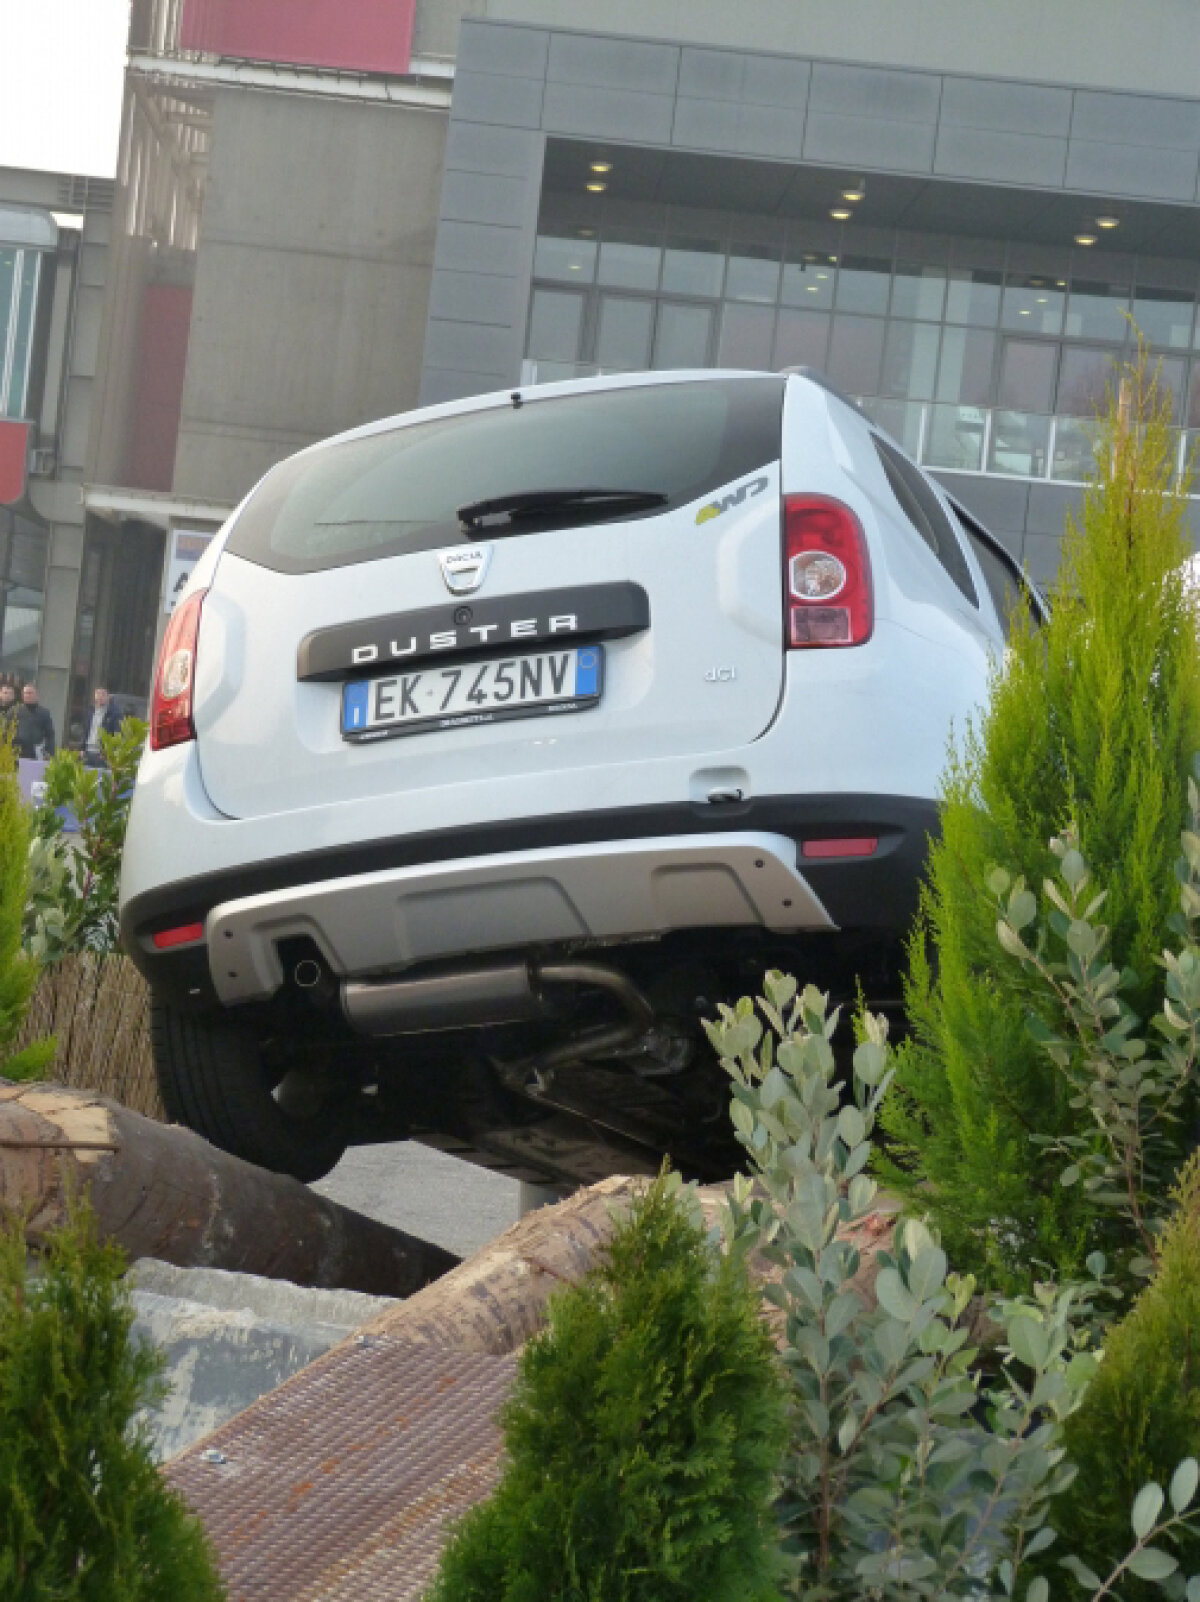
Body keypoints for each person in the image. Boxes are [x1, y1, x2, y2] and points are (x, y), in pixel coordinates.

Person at [15, 682, 55, 760]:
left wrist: (50, 751)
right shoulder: (15, 711)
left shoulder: (44, 713)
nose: (28, 695)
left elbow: (50, 734)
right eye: (25, 693)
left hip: (36, 753)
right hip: (17, 751)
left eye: (30, 693)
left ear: (37, 695)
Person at [84, 685, 123, 765]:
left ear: (108, 697)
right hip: (87, 751)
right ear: (94, 696)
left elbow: (117, 734)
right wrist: (81, 749)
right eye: (98, 694)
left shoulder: (115, 714)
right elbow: (85, 731)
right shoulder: (90, 711)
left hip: (102, 754)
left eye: (103, 694)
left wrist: (109, 753)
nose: (100, 697)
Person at [0, 680, 16, 745]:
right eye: (5, 693)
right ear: (0, 693)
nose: (8, 696)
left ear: (14, 696)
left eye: (11, 694)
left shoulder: (18, 711)